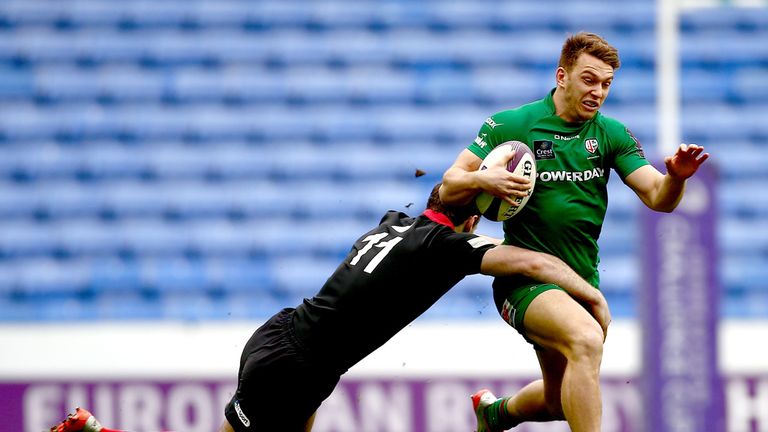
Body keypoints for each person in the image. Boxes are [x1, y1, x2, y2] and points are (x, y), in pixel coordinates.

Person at [51, 182, 610, 432]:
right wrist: (590, 295)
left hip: (286, 338)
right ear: (468, 222)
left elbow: (445, 199)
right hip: (297, 367)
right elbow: (532, 263)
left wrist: (469, 185)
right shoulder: (443, 246)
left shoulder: (395, 222)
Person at [440, 32, 710, 432]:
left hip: (580, 280)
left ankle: (495, 414)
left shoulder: (610, 134)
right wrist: (484, 179)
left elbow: (659, 197)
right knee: (585, 339)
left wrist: (676, 179)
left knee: (558, 401)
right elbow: (449, 185)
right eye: (589, 80)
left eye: (606, 84)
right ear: (562, 76)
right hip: (525, 279)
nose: (598, 92)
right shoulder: (513, 125)